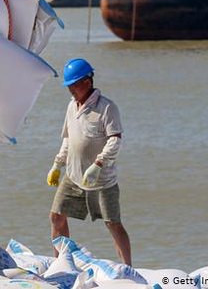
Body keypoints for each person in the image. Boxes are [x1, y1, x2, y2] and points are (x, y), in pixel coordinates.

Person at [47, 58, 131, 265]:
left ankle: (128, 267)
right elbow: (68, 139)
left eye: (74, 85)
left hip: (101, 180)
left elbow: (115, 141)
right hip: (74, 176)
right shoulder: (71, 107)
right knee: (56, 216)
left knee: (113, 223)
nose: (71, 90)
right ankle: (61, 264)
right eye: (68, 86)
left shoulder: (107, 108)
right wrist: (58, 164)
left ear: (87, 81)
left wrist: (98, 164)